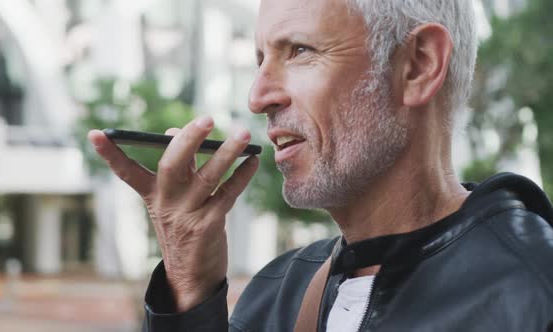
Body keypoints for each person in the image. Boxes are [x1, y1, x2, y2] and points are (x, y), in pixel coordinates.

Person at [88, 0, 553, 331]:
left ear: (418, 66)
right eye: (259, 59)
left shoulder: (533, 292)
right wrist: (188, 290)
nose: (257, 96)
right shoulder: (274, 296)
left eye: (299, 51)